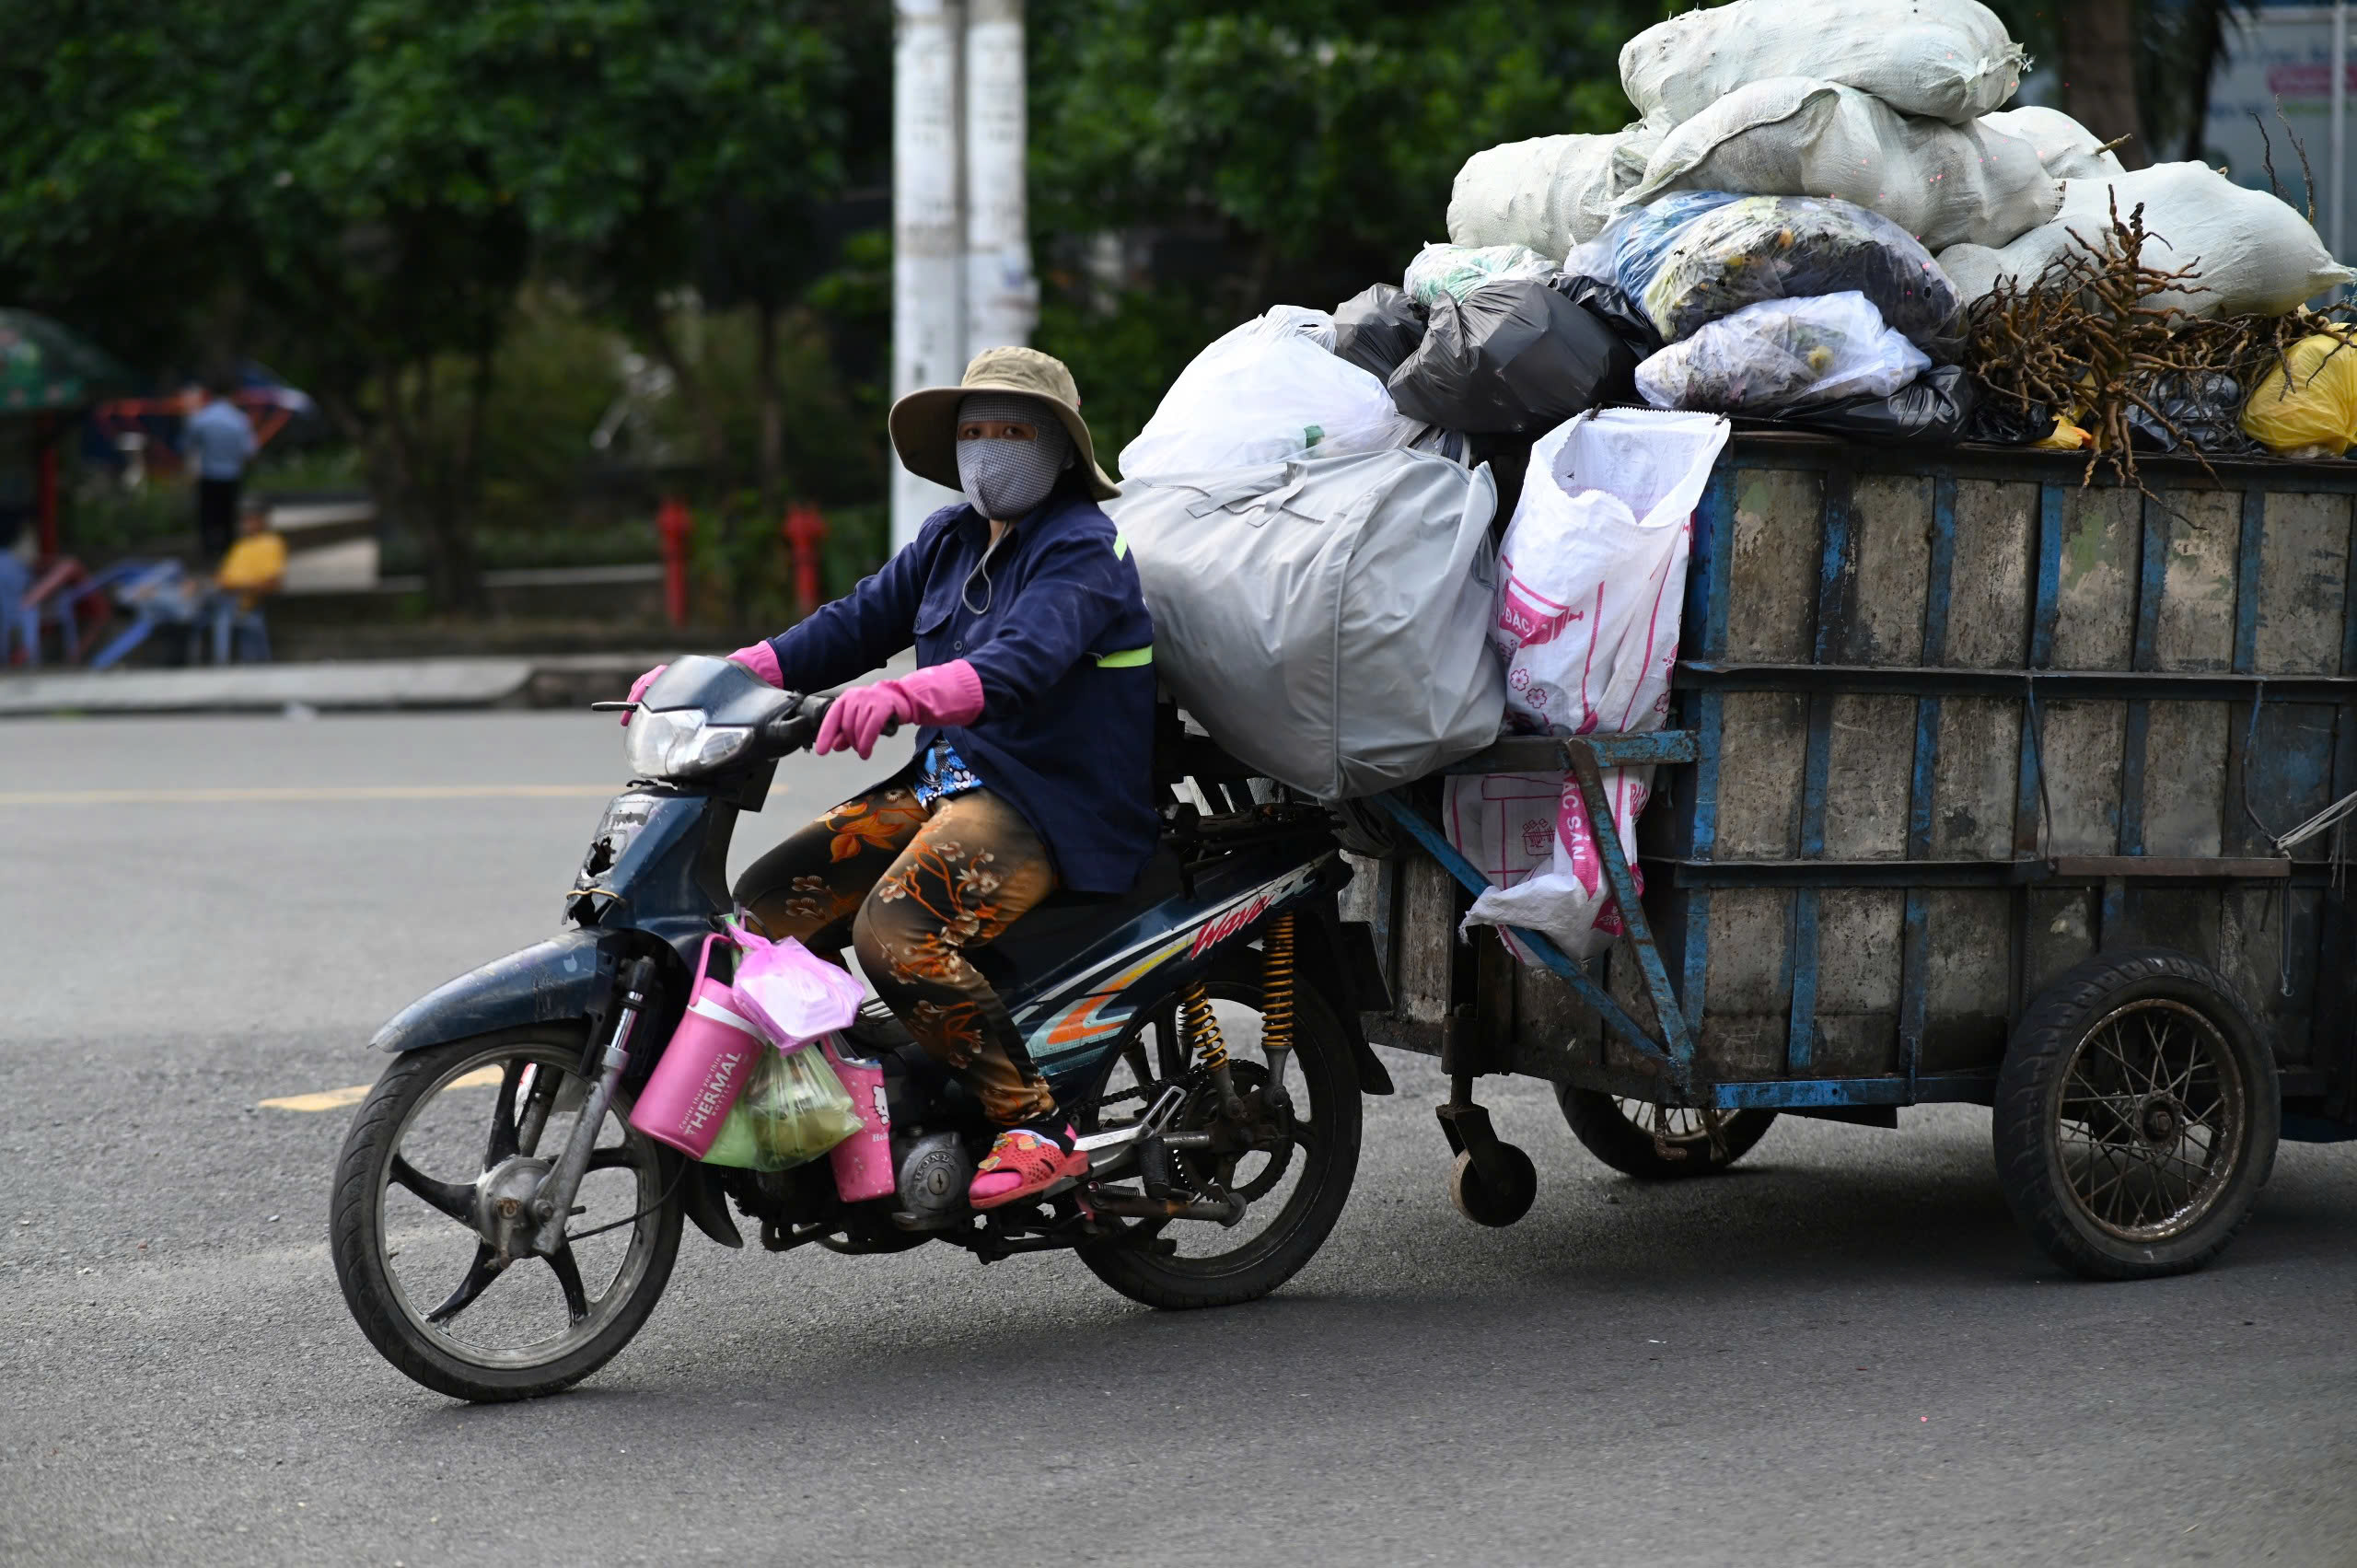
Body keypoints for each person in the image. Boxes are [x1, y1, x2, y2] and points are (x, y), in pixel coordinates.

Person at [627, 347, 1157, 1210]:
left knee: (898, 932)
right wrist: (721, 675)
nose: (990, 449)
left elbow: (1022, 663)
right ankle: (872, 1093)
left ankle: (1036, 1126)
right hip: (951, 781)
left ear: (1060, 449)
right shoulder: (951, 538)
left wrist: (903, 696)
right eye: (975, 431)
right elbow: (853, 623)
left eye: (1013, 431)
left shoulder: (1086, 548)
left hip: (1051, 804)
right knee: (764, 912)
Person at [181, 378, 257, 563]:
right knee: (229, 517)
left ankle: (208, 554)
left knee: (208, 517)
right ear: (233, 395)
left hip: (209, 475)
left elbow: (187, 445)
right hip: (232, 475)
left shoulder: (202, 418)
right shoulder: (239, 419)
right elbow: (249, 450)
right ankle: (230, 555)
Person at [204, 497, 285, 661]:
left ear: (262, 520)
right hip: (219, 595)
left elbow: (272, 583)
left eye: (251, 518)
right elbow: (222, 576)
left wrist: (235, 586)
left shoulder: (272, 544)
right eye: (244, 519)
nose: (246, 523)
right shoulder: (241, 546)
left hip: (240, 601)